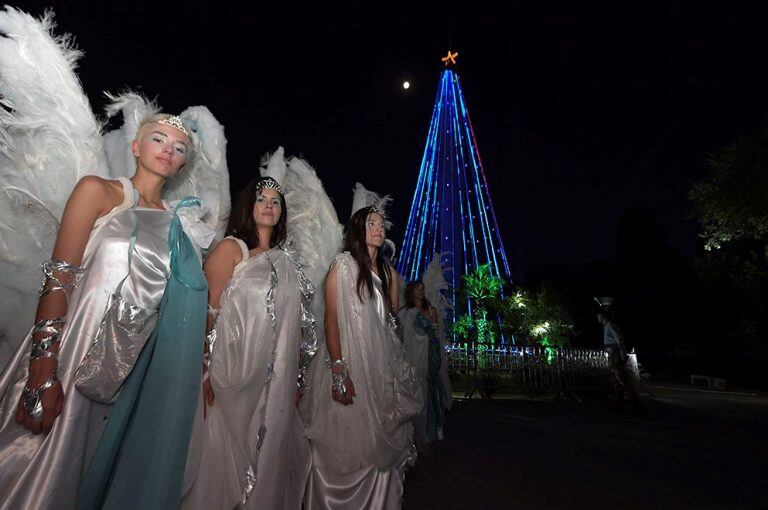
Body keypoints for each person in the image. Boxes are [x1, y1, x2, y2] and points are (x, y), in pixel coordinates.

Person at [0, 112, 215, 509]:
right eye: (158, 139)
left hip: (132, 376)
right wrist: (43, 366)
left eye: (179, 147)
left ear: (184, 163)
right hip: (69, 355)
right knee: (37, 472)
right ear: (136, 147)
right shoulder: (97, 191)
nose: (169, 149)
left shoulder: (179, 228)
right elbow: (59, 277)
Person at [181, 176, 315, 509]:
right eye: (261, 199)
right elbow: (207, 312)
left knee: (268, 453)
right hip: (231, 375)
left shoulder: (286, 260)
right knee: (226, 458)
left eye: (275, 202)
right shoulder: (232, 249)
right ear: (248, 206)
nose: (269, 206)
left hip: (275, 380)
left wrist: (295, 379)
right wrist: (204, 369)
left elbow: (295, 326)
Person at [303, 186, 422, 510]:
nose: (379, 229)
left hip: (381, 370)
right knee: (347, 445)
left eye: (381, 224)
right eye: (371, 223)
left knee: (381, 448)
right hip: (350, 367)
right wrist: (340, 370)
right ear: (358, 229)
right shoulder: (342, 267)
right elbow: (331, 321)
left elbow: (391, 324)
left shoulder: (391, 275)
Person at [400, 281, 448, 445]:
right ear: (410, 292)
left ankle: (435, 426)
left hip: (430, 353)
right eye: (417, 289)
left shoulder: (431, 310)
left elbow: (435, 333)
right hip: (414, 355)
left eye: (422, 288)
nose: (421, 291)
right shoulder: (406, 313)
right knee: (416, 387)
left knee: (432, 385)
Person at [597, 309, 643, 413]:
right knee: (617, 379)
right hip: (613, 354)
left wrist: (622, 352)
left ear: (602, 316)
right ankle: (620, 403)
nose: (598, 319)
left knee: (621, 378)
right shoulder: (606, 327)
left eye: (598, 316)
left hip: (615, 354)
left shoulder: (610, 325)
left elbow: (619, 339)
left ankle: (636, 403)